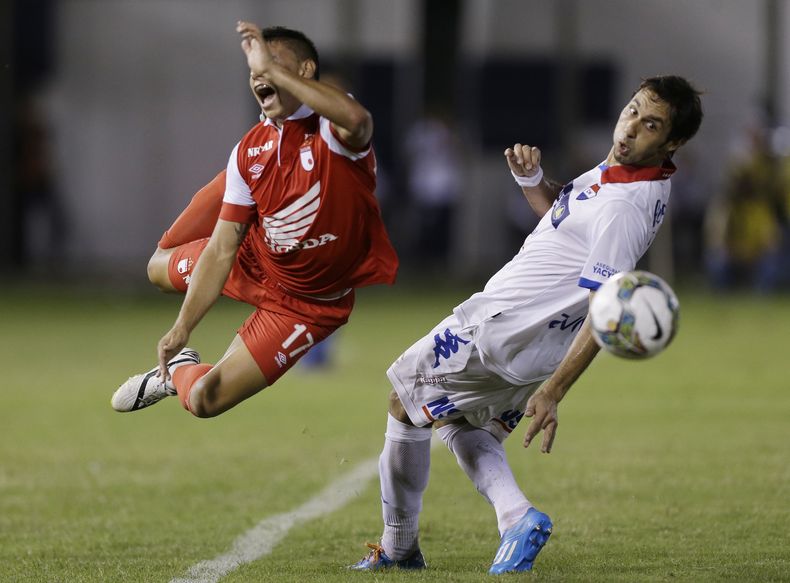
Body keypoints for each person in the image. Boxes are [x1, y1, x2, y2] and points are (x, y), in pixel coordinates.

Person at [350, 76, 703, 573]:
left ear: (672, 142)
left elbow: (606, 310)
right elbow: (566, 223)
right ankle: (516, 517)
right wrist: (535, 182)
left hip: (501, 327)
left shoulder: (626, 207)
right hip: (533, 346)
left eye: (650, 125)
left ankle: (399, 547)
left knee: (403, 401)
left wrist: (555, 392)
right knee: (461, 425)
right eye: (631, 111)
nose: (629, 130)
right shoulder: (627, 175)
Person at [111, 21, 398, 417]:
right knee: (157, 269)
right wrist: (182, 328)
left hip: (305, 307)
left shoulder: (331, 129)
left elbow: (358, 120)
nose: (260, 74)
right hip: (254, 261)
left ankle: (176, 373)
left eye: (271, 64)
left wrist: (270, 68)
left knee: (204, 401)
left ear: (304, 71)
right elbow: (223, 248)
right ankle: (180, 345)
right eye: (254, 71)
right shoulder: (249, 150)